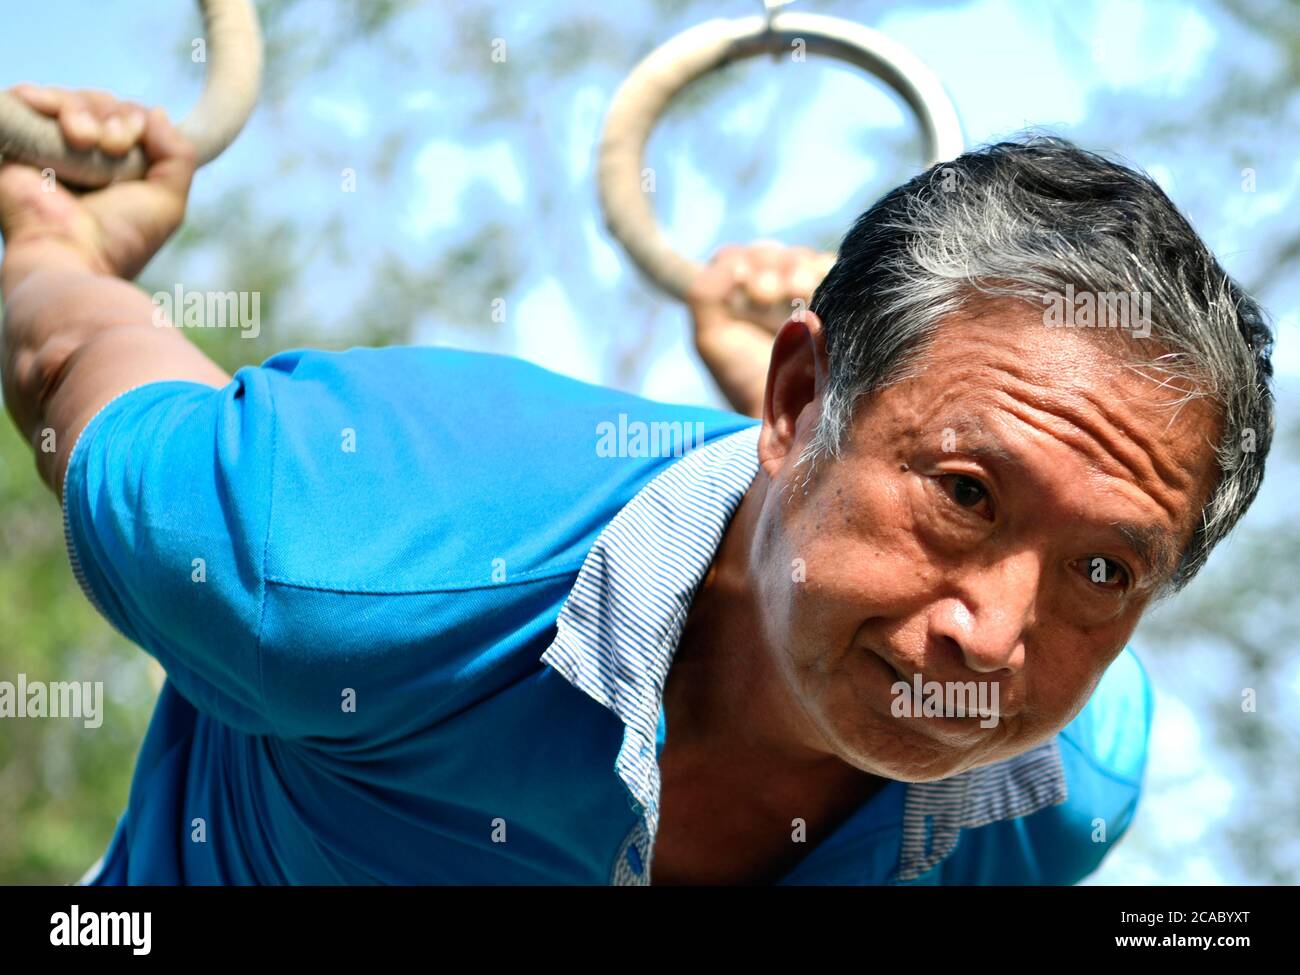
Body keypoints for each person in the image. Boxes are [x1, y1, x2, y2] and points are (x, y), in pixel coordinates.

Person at [0, 85, 1274, 885]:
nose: (991, 638)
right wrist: (61, 248)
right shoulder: (327, 547)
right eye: (964, 494)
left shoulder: (1058, 794)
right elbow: (75, 356)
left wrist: (827, 476)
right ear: (791, 401)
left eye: (1103, 570)